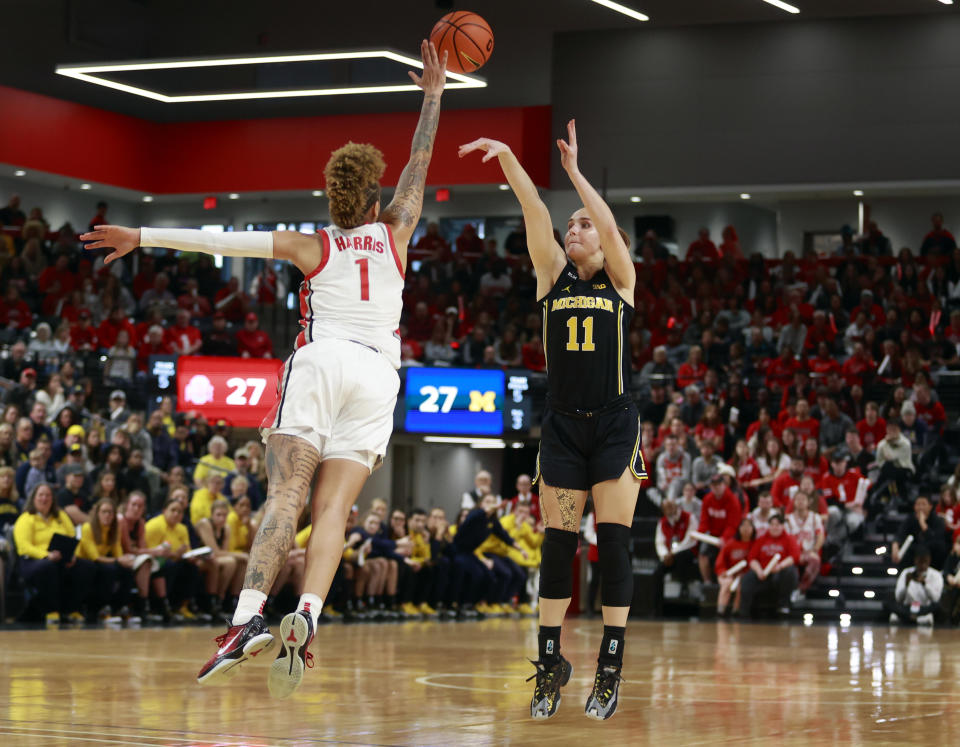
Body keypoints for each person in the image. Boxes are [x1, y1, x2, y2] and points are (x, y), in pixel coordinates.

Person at [82, 40, 446, 698]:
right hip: (379, 377)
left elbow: (221, 240)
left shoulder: (313, 243)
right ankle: (307, 612)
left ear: (334, 198)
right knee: (334, 509)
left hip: (323, 359)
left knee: (286, 496)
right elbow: (419, 164)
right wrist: (433, 94)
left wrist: (143, 235)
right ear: (374, 199)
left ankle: (247, 618)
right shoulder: (396, 231)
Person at [461, 119, 645, 721]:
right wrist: (512, 157)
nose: (574, 227)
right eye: (573, 224)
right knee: (557, 546)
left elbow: (609, 224)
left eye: (583, 223)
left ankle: (610, 665)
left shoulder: (622, 280)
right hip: (563, 426)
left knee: (613, 545)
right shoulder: (550, 276)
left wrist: (575, 174)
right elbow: (533, 209)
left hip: (615, 425)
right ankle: (550, 664)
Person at [738, 513, 800, 619]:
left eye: (777, 525)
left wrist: (780, 566)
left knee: (790, 571)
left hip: (780, 572)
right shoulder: (761, 539)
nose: (774, 527)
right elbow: (752, 558)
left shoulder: (789, 539)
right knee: (747, 578)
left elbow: (794, 557)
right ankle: (744, 611)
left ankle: (783, 605)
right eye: (772, 525)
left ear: (782, 526)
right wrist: (758, 571)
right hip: (762, 572)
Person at [887, 545, 942, 626]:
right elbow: (898, 598)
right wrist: (906, 584)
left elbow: (935, 599)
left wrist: (924, 584)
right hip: (907, 608)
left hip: (924, 609)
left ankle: (909, 619)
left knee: (938, 606)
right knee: (888, 603)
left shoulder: (936, 575)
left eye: (925, 561)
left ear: (929, 559)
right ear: (915, 560)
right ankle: (914, 618)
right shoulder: (906, 573)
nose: (923, 565)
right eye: (920, 561)